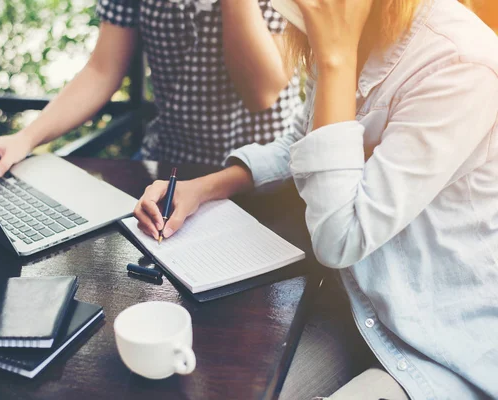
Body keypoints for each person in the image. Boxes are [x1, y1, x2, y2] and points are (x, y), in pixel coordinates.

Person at [134, 0, 498, 398]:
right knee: (221, 383)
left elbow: (341, 238)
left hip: (436, 345)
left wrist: (336, 58)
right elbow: (302, 144)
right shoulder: (354, 26)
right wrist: (201, 188)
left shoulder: (460, 63)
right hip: (353, 305)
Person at [0, 0, 302, 182]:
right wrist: (24, 139)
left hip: (261, 171)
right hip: (168, 163)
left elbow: (261, 92)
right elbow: (101, 70)